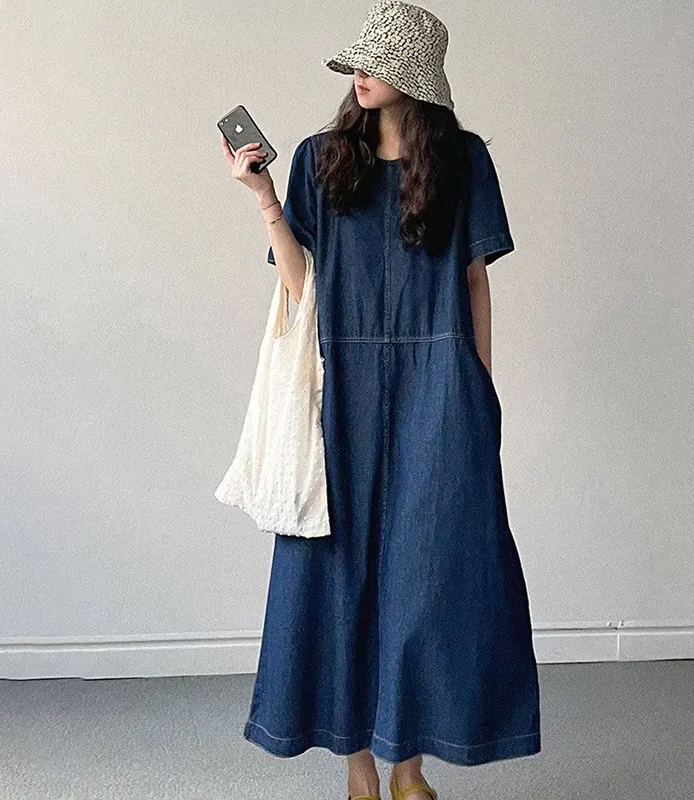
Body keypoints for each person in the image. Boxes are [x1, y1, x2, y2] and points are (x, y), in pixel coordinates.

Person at [220, 2, 541, 798]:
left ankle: (408, 770)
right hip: (342, 383)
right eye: (358, 62)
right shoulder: (320, 157)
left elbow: (474, 279)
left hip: (441, 378)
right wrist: (263, 197)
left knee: (430, 576)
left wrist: (480, 389)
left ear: (415, 77)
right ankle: (360, 773)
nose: (359, 74)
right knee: (338, 574)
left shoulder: (463, 160)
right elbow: (302, 285)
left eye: (376, 63)